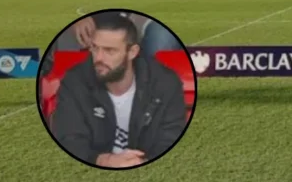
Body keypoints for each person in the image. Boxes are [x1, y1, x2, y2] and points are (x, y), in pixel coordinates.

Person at [49, 12, 188, 168]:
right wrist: (103, 160)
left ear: (132, 52)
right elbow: (69, 138)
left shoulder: (165, 83)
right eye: (95, 48)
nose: (99, 58)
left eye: (110, 51)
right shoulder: (74, 81)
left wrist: (142, 163)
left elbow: (170, 138)